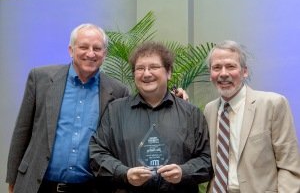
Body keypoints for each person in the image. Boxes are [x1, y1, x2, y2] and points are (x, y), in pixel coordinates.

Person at [6, 23, 130, 193]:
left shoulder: (118, 91)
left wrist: (176, 99)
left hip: (90, 187)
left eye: (97, 48)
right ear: (71, 50)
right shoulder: (40, 79)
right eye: (84, 47)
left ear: (104, 54)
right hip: (38, 185)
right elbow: (22, 130)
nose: (91, 53)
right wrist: (12, 179)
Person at [89, 41, 213, 193]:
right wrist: (124, 174)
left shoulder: (191, 114)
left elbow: (208, 159)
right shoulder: (115, 111)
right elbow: (97, 153)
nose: (146, 74)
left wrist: (184, 172)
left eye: (154, 67)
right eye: (140, 68)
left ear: (169, 72)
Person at [204, 40, 300, 193]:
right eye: (216, 68)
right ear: (211, 74)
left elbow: (289, 166)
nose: (223, 74)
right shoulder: (209, 110)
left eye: (230, 66)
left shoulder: (273, 104)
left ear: (244, 71)